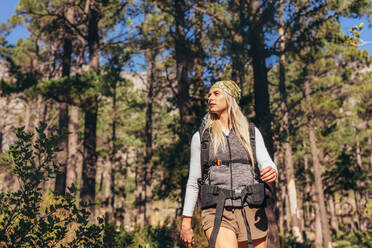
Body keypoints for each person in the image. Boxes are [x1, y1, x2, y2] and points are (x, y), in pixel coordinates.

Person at [180, 80, 278, 248]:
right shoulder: (202, 137)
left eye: (216, 94)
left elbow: (266, 162)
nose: (210, 98)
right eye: (209, 95)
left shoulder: (251, 132)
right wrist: (186, 222)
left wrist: (271, 170)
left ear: (231, 98)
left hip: (251, 208)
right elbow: (193, 181)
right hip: (217, 209)